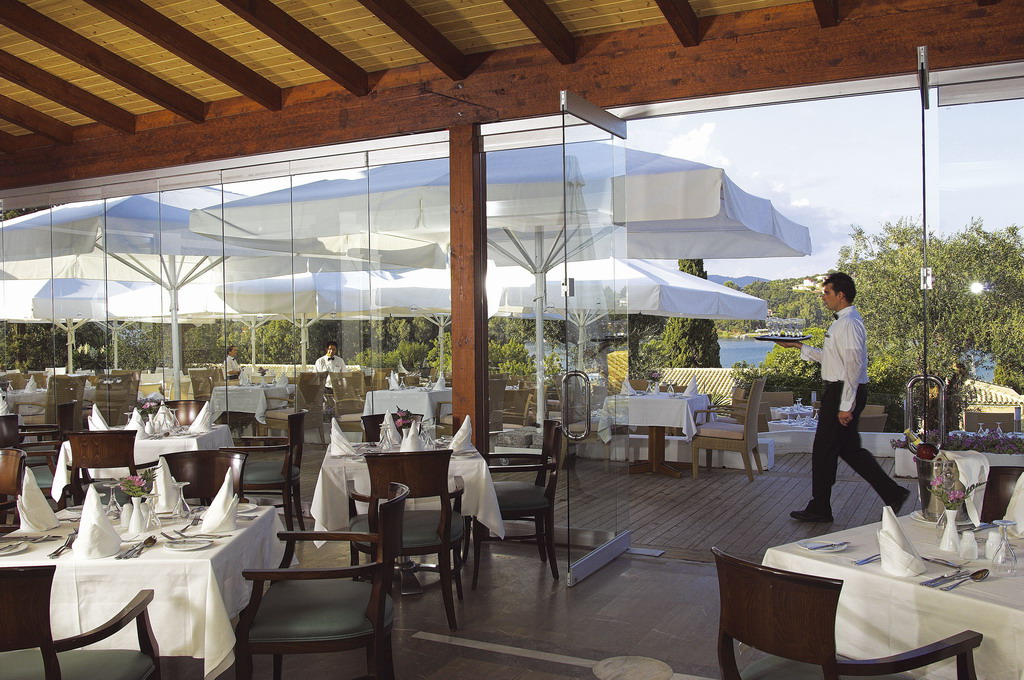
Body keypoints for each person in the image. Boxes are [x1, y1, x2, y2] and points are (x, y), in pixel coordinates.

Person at [775, 272, 909, 522]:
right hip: (841, 390)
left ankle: (820, 507)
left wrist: (846, 405)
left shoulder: (848, 324)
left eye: (826, 293)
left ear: (841, 295)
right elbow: (833, 359)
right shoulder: (843, 322)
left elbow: (853, 366)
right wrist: (799, 346)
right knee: (849, 449)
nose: (823, 298)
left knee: (823, 450)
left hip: (841, 392)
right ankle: (893, 493)